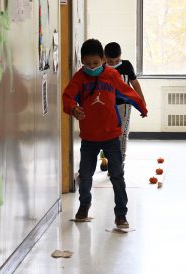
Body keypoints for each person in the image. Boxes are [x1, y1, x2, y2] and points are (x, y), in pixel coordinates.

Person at [62, 39, 147, 228]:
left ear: (102, 60)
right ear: (82, 61)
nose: (91, 67)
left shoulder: (111, 75)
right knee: (85, 175)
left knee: (117, 175)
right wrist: (74, 109)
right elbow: (68, 97)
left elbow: (127, 91)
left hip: (111, 136)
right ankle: (84, 205)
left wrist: (141, 105)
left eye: (95, 63)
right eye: (87, 64)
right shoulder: (79, 78)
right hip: (89, 137)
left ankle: (121, 214)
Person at [104, 42, 146, 170]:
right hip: (106, 106)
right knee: (106, 135)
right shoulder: (101, 67)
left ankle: (119, 163)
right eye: (110, 61)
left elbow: (135, 83)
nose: (114, 63)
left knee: (121, 134)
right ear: (104, 58)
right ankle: (107, 159)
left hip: (124, 106)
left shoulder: (126, 66)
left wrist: (141, 100)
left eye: (117, 60)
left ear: (121, 56)